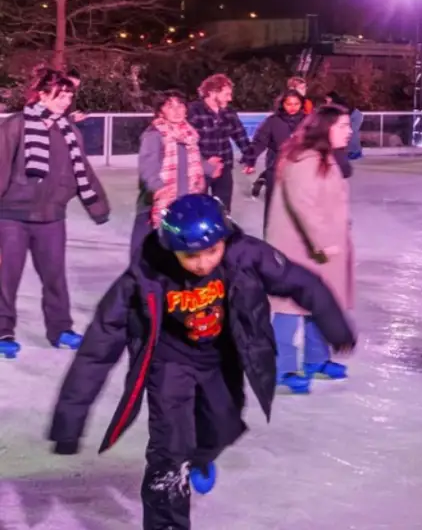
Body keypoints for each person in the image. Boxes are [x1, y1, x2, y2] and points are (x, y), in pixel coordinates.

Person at [49, 192, 354, 529]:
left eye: (212, 250)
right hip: (169, 364)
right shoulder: (145, 277)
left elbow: (300, 281)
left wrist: (333, 325)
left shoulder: (245, 255)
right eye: (191, 255)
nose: (203, 263)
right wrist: (70, 420)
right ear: (172, 248)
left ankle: (201, 458)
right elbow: (98, 345)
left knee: (223, 426)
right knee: (169, 453)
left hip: (220, 359)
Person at [0, 67, 110, 358]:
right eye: (60, 95)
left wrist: (97, 205)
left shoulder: (69, 130)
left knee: (55, 277)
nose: (66, 102)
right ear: (42, 94)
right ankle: (2, 331)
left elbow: (81, 169)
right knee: (5, 277)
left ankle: (60, 329)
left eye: (69, 96)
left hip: (51, 216)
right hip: (12, 215)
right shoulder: (16, 125)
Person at [263, 107, 355, 394]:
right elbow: (304, 205)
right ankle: (282, 367)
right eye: (342, 126)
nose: (349, 131)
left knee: (321, 304)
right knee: (290, 308)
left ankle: (317, 360)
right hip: (299, 249)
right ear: (324, 128)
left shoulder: (323, 158)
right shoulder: (304, 160)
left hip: (317, 248)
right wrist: (322, 241)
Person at [136, 93, 208, 260]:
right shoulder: (155, 134)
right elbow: (148, 165)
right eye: (170, 106)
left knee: (186, 247)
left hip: (188, 197)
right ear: (161, 112)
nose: (176, 111)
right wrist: (157, 187)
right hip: (165, 199)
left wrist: (209, 167)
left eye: (180, 106)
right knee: (164, 248)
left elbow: (192, 161)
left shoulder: (189, 134)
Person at [242, 91, 305, 231]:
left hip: (302, 170)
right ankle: (270, 238)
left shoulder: (308, 121)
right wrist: (250, 161)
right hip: (276, 169)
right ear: (282, 104)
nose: (293, 107)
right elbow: (259, 142)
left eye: (296, 104)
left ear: (301, 104)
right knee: (273, 207)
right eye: (289, 104)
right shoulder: (272, 121)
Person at [185, 75, 247, 210]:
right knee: (198, 209)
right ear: (212, 92)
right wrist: (203, 162)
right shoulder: (193, 111)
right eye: (226, 94)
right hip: (199, 170)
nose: (230, 98)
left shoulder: (229, 112)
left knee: (223, 209)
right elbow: (187, 143)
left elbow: (240, 135)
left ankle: (222, 230)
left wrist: (249, 157)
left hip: (224, 167)